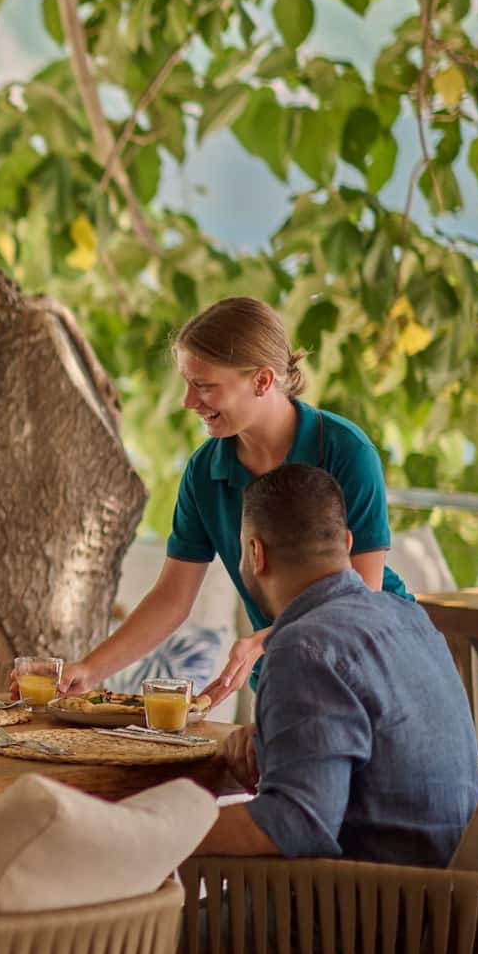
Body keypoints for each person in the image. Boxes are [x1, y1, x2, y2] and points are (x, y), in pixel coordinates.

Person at [142, 464, 478, 954]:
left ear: (253, 553)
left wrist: (144, 836)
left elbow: (293, 824)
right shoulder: (407, 619)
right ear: (346, 543)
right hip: (449, 924)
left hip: (368, 933)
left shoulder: (306, 644)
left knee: (109, 950)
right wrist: (272, 741)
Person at [61, 298, 412, 705]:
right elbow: (172, 598)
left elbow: (362, 593)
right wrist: (89, 669)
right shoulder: (204, 471)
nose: (188, 402)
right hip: (286, 676)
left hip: (375, 663)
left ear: (262, 381)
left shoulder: (346, 451)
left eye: (205, 385)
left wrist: (264, 641)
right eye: (188, 383)